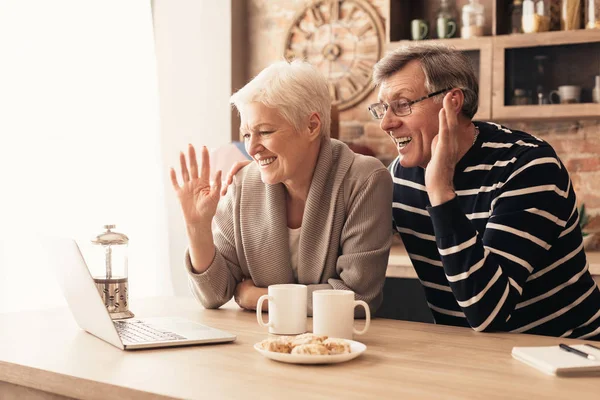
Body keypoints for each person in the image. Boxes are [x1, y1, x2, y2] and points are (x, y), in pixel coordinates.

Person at [368, 43, 600, 339]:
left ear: (452, 103)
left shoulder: (527, 165)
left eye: (402, 104)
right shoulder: (400, 176)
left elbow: (489, 311)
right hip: (475, 358)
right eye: (382, 108)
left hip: (568, 355)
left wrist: (440, 190)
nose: (386, 123)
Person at [170, 60, 393, 316]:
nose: (252, 148)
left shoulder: (365, 180)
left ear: (311, 126)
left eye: (264, 132)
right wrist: (197, 228)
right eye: (246, 134)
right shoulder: (243, 185)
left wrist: (262, 298)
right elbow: (213, 295)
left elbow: (357, 297)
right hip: (260, 344)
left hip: (339, 346)